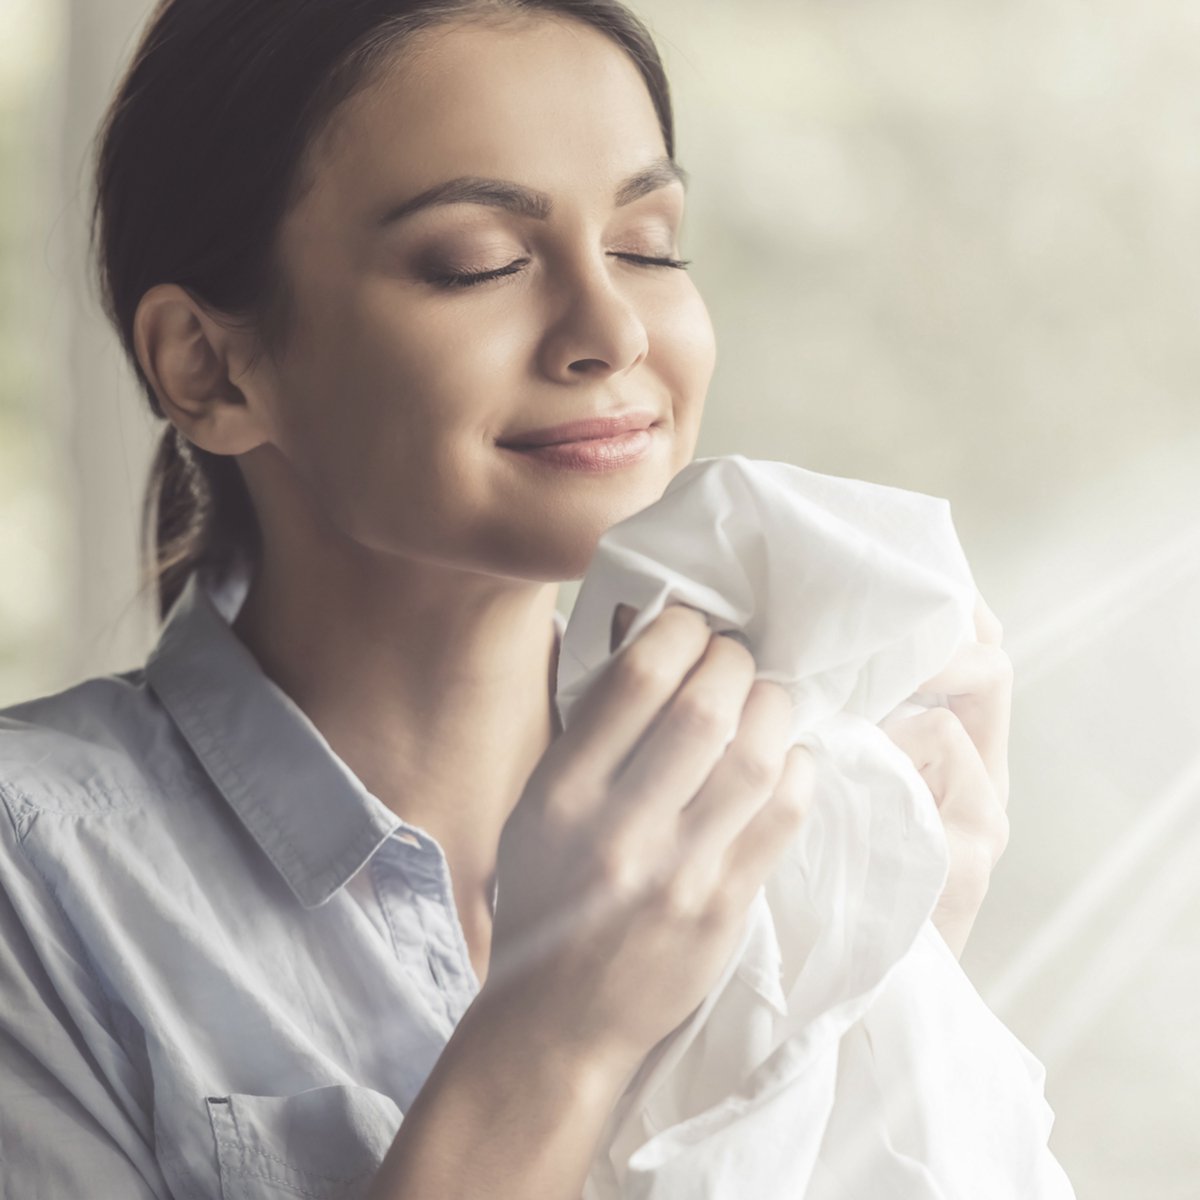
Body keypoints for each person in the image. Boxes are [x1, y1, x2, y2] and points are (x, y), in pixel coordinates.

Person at [0, 2, 1013, 1197]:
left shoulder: (768, 815)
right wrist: (557, 1035)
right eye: (476, 262)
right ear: (208, 366)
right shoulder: (37, 880)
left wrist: (882, 956)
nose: (612, 327)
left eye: (647, 244)